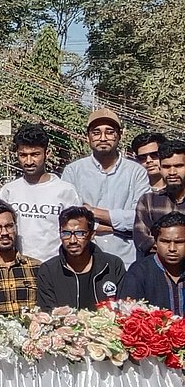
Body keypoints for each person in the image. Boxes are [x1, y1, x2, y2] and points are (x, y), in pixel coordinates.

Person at [62, 110, 148, 268]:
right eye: (96, 132)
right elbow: (69, 219)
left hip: (126, 261)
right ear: (88, 136)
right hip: (84, 261)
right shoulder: (73, 171)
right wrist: (116, 227)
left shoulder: (137, 172)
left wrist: (92, 212)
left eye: (109, 132)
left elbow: (140, 219)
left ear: (119, 135)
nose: (103, 138)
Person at [0, 125, 81, 262]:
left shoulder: (66, 191)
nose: (29, 161)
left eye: (35, 154)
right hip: (18, 268)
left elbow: (76, 231)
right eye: (23, 155)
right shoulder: (8, 191)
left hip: (54, 268)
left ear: (47, 153)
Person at [35, 206, 126, 310]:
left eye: (80, 233)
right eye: (66, 233)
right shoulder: (48, 270)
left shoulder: (113, 265)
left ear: (91, 234)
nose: (72, 240)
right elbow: (48, 312)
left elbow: (123, 308)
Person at [120, 212, 185, 313]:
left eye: (179, 242)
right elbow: (129, 314)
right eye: (165, 241)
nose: (172, 248)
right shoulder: (139, 271)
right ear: (155, 242)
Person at [133, 140, 185, 257]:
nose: (172, 172)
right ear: (160, 168)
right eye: (166, 166)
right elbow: (141, 240)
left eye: (178, 166)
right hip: (155, 271)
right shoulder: (148, 201)